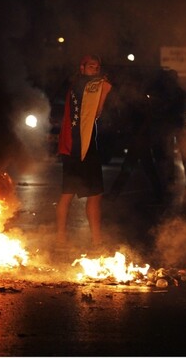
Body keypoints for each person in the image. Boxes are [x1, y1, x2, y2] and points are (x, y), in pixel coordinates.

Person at [55, 54, 112, 247]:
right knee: (75, 193)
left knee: (86, 194)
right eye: (91, 66)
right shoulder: (86, 86)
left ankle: (73, 238)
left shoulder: (80, 85)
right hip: (77, 146)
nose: (95, 70)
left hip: (81, 145)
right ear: (82, 68)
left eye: (97, 67)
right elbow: (96, 113)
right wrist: (104, 92)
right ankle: (91, 239)